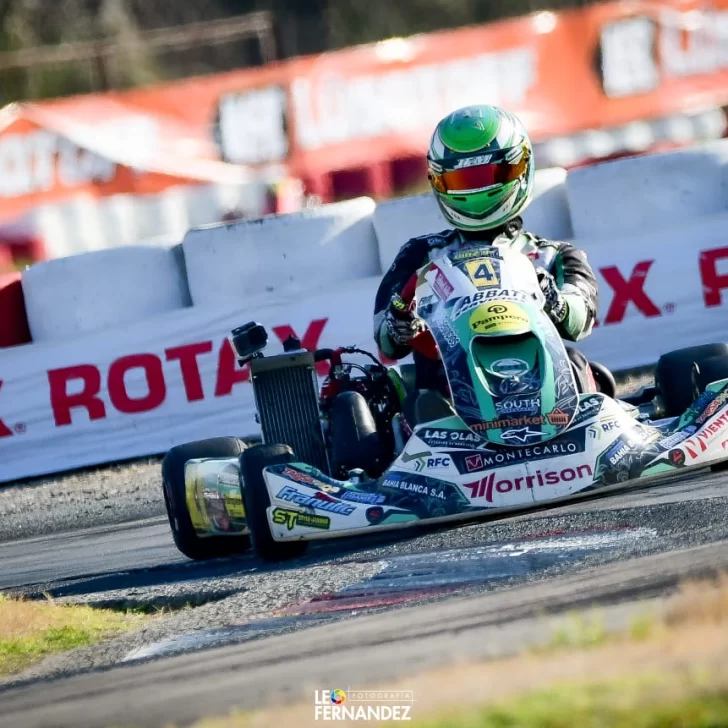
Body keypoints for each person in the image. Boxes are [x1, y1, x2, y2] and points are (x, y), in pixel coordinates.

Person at [373, 104, 600, 411]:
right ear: (439, 182)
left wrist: (553, 301)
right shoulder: (422, 255)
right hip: (451, 401)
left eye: (488, 175)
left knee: (575, 364)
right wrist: (400, 324)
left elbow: (580, 321)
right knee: (420, 395)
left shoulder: (554, 257)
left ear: (520, 168)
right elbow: (386, 339)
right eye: (463, 181)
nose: (477, 190)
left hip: (547, 391)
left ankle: (575, 417)